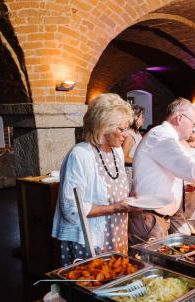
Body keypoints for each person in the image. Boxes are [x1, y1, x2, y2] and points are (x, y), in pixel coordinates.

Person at [129, 97, 195, 243]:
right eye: (193, 123)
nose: (194, 129)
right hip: (150, 218)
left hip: (158, 216)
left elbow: (171, 174)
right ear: (179, 118)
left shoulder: (166, 136)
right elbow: (194, 171)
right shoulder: (161, 136)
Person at [52, 93, 139, 265]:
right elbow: (70, 209)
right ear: (103, 127)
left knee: (118, 277)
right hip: (89, 239)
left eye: (127, 129)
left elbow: (114, 191)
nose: (126, 135)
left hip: (117, 234)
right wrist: (115, 208)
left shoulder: (117, 152)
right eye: (121, 129)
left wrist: (132, 199)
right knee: (94, 279)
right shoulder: (80, 154)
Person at [122, 104, 145, 188]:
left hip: (135, 170)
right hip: (130, 172)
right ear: (135, 118)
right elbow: (124, 157)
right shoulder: (130, 135)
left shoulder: (136, 133)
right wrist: (139, 161)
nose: (144, 119)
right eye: (142, 117)